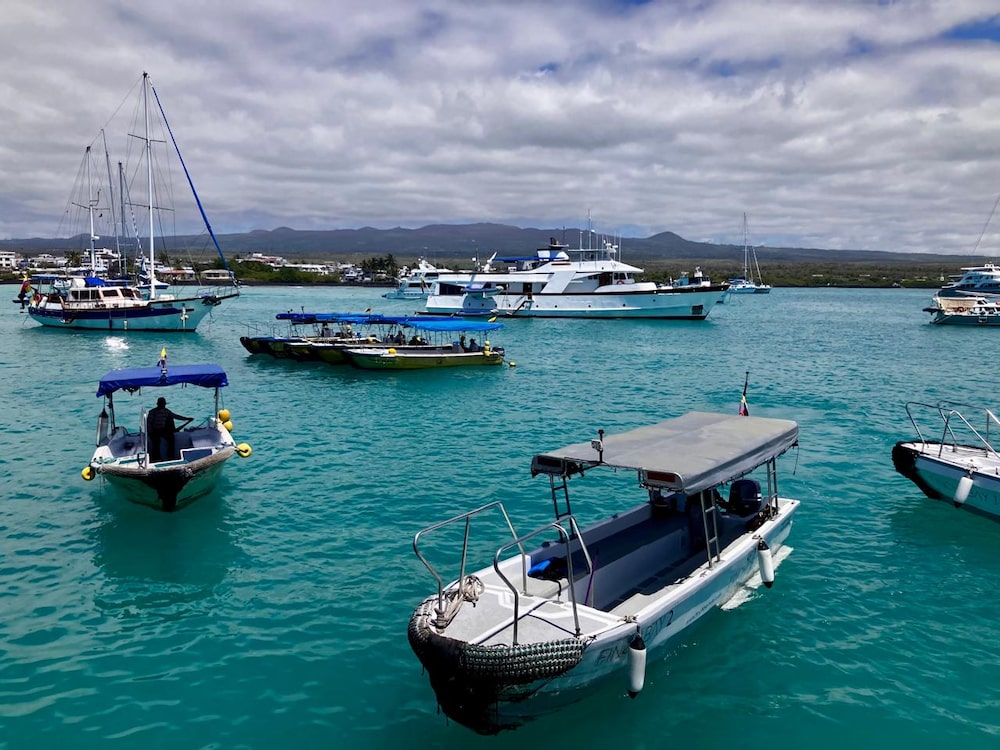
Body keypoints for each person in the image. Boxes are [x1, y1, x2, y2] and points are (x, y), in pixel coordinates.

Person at [147, 397, 192, 462]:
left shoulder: (166, 411)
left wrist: (187, 419)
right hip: (154, 430)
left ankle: (170, 456)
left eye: (163, 404)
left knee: (171, 439)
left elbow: (176, 416)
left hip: (162, 430)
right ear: (158, 404)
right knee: (156, 443)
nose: (163, 405)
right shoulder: (152, 412)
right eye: (162, 404)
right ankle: (156, 458)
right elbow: (149, 423)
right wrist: (150, 432)